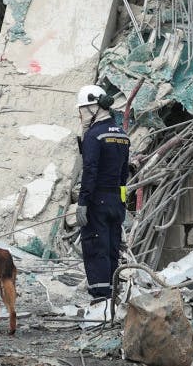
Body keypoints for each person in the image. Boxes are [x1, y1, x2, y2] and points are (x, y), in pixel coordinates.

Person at [74, 85, 129, 302]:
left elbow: (90, 171)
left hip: (98, 201)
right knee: (111, 247)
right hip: (116, 201)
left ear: (94, 107)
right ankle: (112, 296)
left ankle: (100, 299)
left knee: (96, 247)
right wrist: (122, 202)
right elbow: (124, 174)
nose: (81, 115)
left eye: (83, 110)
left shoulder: (94, 136)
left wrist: (83, 202)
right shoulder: (122, 135)